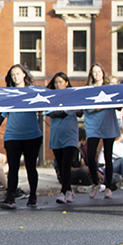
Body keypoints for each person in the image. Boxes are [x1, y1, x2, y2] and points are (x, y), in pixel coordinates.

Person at [0, 64, 42, 209]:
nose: (15, 77)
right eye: (12, 74)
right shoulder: (8, 94)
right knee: (13, 167)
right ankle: (10, 197)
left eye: (18, 73)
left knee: (30, 167)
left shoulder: (33, 91)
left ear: (24, 74)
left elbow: (49, 101)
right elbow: (1, 115)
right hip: (12, 136)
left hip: (32, 135)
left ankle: (33, 196)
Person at [82, 63, 119, 199]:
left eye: (99, 71)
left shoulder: (110, 89)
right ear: (91, 75)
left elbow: (118, 104)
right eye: (94, 72)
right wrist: (102, 106)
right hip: (93, 126)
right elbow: (87, 107)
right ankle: (96, 183)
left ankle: (108, 187)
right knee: (91, 156)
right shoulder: (88, 89)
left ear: (103, 73)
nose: (97, 74)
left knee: (108, 156)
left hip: (108, 124)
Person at [45, 72, 79, 204]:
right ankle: (69, 190)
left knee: (66, 164)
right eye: (56, 82)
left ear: (66, 82)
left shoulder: (72, 96)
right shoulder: (52, 97)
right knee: (60, 165)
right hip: (57, 135)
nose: (58, 84)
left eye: (61, 82)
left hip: (70, 135)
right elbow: (50, 113)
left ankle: (63, 192)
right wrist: (63, 112)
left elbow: (79, 111)